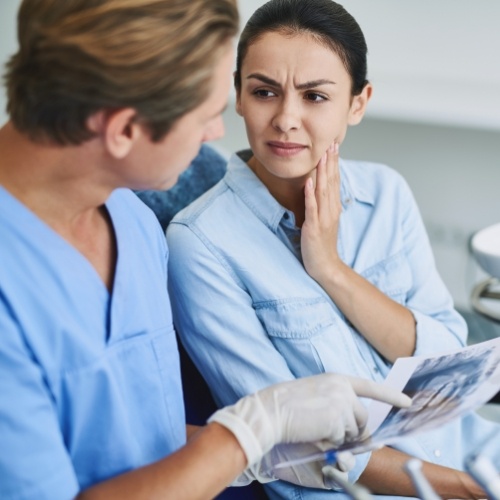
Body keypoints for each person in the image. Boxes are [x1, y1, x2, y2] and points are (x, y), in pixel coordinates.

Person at [0, 1, 413, 499]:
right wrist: (251, 429)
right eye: (207, 114)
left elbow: (146, 441)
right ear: (123, 129)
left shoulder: (130, 220)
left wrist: (274, 447)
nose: (216, 136)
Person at [166, 0, 500, 498]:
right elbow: (288, 445)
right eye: (264, 92)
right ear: (237, 94)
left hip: (478, 452)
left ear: (357, 104)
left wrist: (332, 270)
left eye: (315, 97)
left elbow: (448, 360)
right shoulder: (200, 243)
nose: (285, 119)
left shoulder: (386, 193)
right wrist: (464, 489)